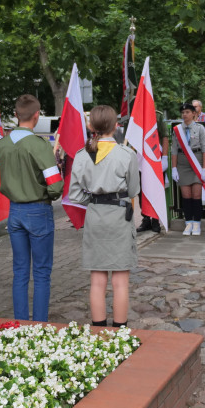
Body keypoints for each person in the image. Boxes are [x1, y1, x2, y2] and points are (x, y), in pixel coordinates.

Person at [67, 105, 140, 327]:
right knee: (120, 282)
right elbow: (134, 190)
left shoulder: (81, 155)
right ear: (116, 126)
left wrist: (95, 201)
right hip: (119, 217)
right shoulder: (126, 154)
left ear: (91, 127)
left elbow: (75, 195)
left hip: (95, 217)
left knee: (97, 281)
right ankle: (119, 333)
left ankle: (98, 332)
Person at [0, 94, 64, 322]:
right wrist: (51, 193)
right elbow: (55, 185)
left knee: (20, 272)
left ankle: (20, 322)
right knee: (42, 273)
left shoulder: (3, 144)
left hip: (14, 211)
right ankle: (39, 325)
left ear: (16, 115)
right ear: (37, 116)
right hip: (38, 210)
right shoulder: (39, 145)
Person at [171, 102, 205, 236]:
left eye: (187, 112)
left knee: (196, 195)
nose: (184, 115)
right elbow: (174, 150)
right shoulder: (177, 130)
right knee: (186, 195)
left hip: (196, 161)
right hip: (182, 163)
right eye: (183, 113)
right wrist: (174, 168)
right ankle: (188, 223)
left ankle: (197, 223)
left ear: (194, 113)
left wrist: (204, 168)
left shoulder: (200, 129)